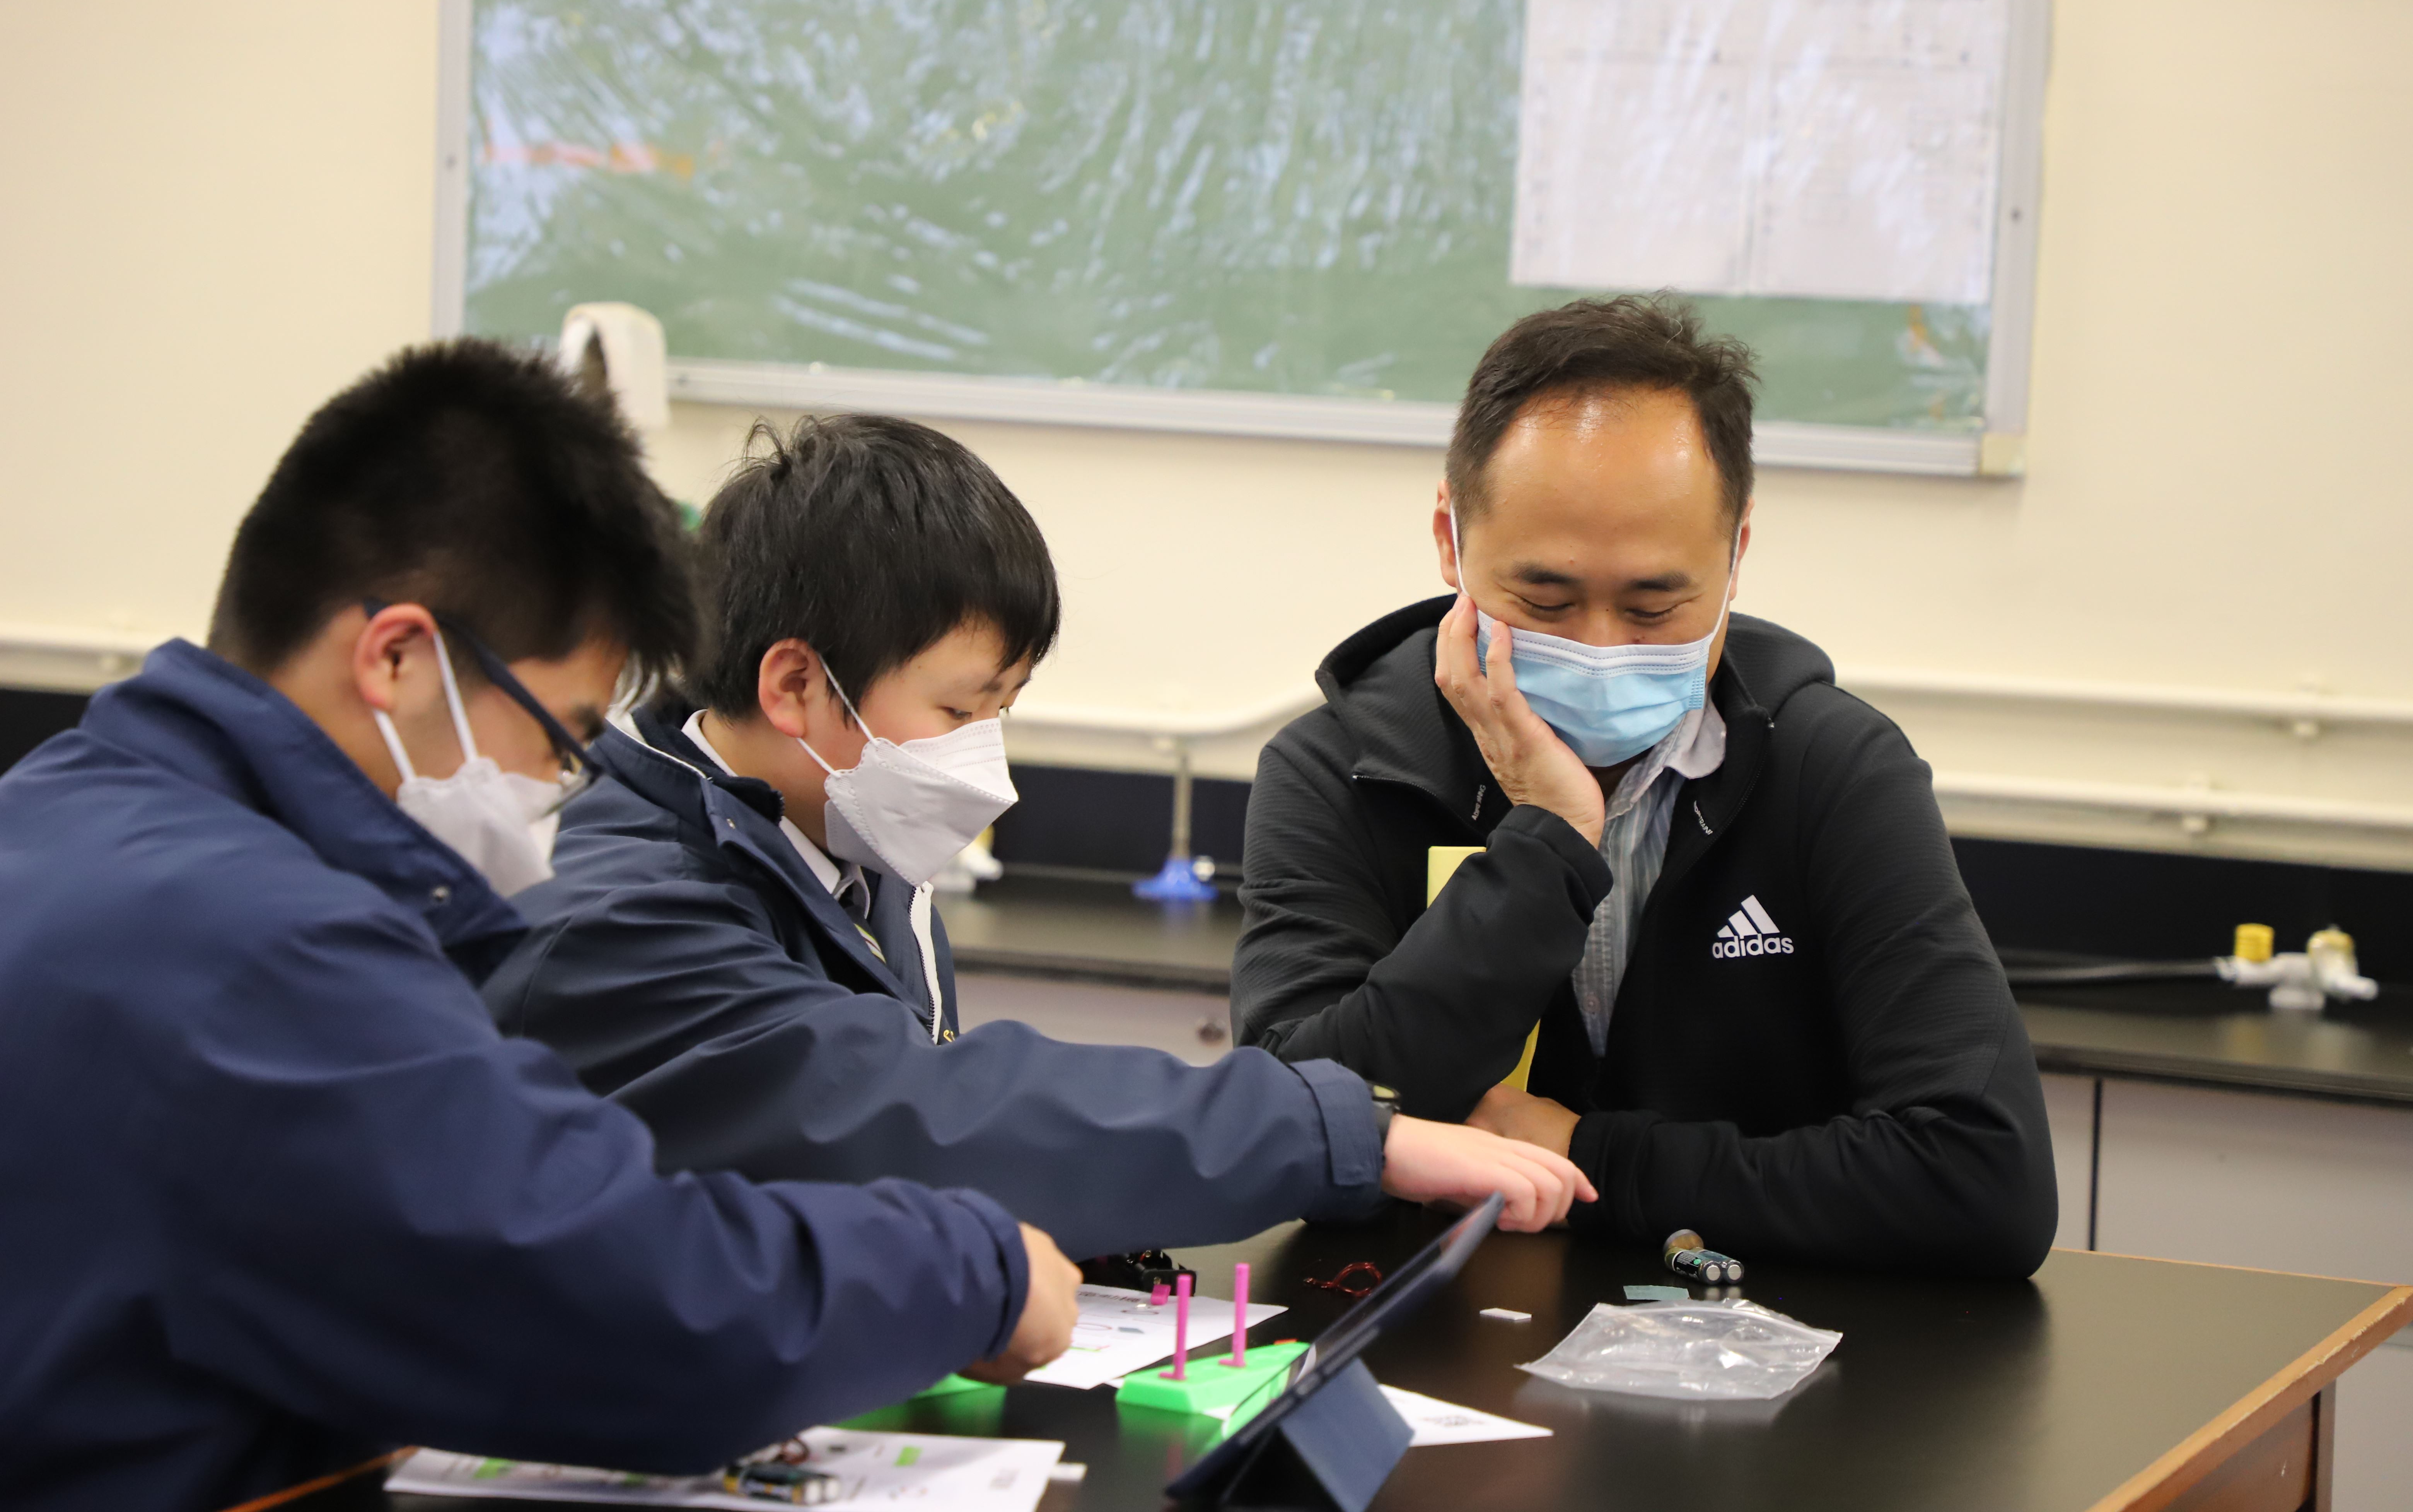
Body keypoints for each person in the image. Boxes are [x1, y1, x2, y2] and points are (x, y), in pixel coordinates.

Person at [0, 344, 1081, 1512]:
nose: (559, 784)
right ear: (398, 657)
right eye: (561, 734)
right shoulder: (266, 945)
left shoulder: (58, 817)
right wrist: (970, 1268)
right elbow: (626, 1302)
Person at [483, 413, 1592, 1259]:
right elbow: (911, 1113)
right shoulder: (621, 906)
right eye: (960, 710)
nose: (983, 758)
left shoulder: (841, 832)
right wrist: (1341, 1135)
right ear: (795, 686)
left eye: (1003, 710)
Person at [1230, 295, 2058, 1277]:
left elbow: (1984, 1179)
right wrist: (1549, 838)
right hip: (1423, 1334)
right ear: (1451, 539)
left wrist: (1590, 1158)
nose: (1599, 649)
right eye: (1545, 600)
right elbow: (1290, 1128)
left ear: (1737, 553)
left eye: (1654, 607)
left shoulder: (1833, 769)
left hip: (1759, 1348)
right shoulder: (1340, 772)